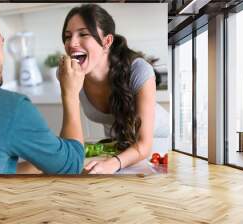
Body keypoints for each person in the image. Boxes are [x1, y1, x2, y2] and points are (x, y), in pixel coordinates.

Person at [0, 4, 85, 174]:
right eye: (1, 44)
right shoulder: (9, 108)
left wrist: (44, 158)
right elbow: (72, 166)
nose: (3, 55)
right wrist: (71, 93)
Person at [60, 4, 167, 174]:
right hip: (121, 146)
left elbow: (144, 145)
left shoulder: (139, 70)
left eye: (83, 34)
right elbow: (69, 148)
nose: (72, 43)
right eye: (67, 36)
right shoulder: (74, 77)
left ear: (106, 42)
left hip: (159, 143)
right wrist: (69, 92)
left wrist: (112, 164)